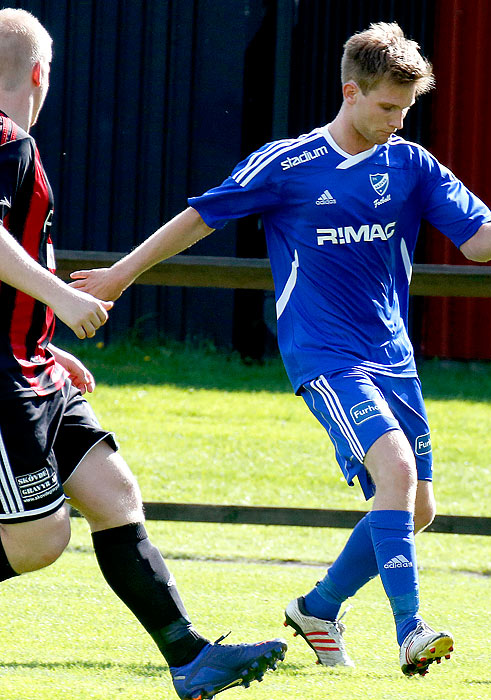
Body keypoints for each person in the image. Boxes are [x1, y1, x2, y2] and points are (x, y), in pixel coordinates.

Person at [72, 21, 491, 677]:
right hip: (326, 355)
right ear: (350, 91)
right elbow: (199, 217)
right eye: (388, 107)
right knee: (395, 472)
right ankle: (411, 630)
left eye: (406, 109)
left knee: (416, 508)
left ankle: (318, 608)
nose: (397, 120)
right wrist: (120, 275)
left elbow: (477, 242)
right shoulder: (288, 164)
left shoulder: (411, 164)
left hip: (394, 359)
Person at [0, 9, 286, 699]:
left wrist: (42, 337)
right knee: (39, 540)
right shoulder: (5, 141)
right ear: (41, 73)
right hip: (3, 379)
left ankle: (188, 658)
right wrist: (62, 301)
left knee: (114, 491)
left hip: (33, 365)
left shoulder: (18, 146)